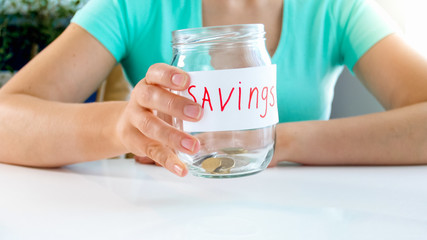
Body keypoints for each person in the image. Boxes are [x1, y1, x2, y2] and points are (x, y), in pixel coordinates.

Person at [0, 0, 426, 177]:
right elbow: (7, 118)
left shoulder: (334, 8)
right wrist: (124, 127)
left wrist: (280, 142)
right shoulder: (133, 6)